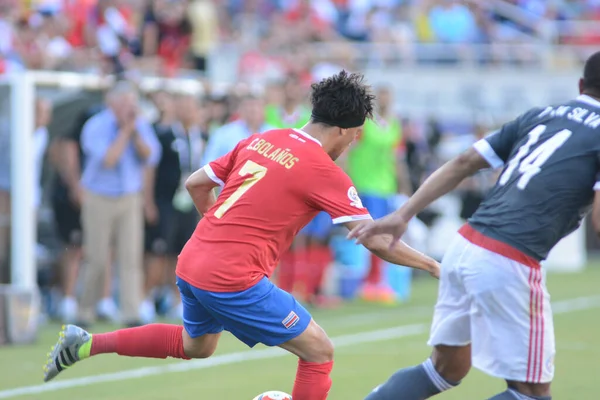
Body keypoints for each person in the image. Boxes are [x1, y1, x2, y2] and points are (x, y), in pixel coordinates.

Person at [42, 71, 439, 400]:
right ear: (341, 130)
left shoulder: (263, 139)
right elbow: (373, 238)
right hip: (231, 276)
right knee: (318, 351)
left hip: (193, 260)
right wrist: (433, 266)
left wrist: (218, 228)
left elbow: (197, 183)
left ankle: (85, 343)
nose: (354, 143)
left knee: (197, 345)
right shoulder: (323, 170)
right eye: (355, 136)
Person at [350, 51, 600, 400]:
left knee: (443, 369)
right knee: (531, 393)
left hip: (465, 246)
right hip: (510, 259)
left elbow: (465, 160)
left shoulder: (541, 115)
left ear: (580, 84)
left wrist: (403, 214)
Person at [77, 81, 161, 328]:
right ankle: (85, 311)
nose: (129, 108)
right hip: (98, 196)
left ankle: (131, 312)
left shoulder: (140, 125)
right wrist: (125, 132)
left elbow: (151, 156)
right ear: (111, 103)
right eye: (124, 102)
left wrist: (134, 132)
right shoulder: (96, 126)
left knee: (131, 256)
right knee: (97, 257)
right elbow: (109, 159)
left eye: (131, 103)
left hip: (128, 197)